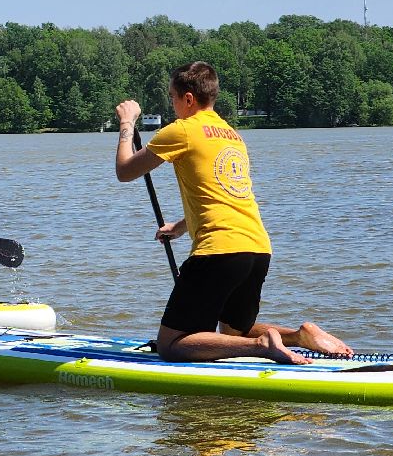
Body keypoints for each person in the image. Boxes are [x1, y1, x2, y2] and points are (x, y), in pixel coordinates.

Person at [113, 61, 352, 365]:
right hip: (257, 249)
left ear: (188, 99)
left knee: (171, 344)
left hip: (219, 252)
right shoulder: (232, 135)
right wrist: (183, 226)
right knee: (232, 334)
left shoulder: (182, 130)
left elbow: (124, 170)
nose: (171, 104)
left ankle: (263, 345)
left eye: (173, 97)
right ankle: (298, 335)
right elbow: (224, 194)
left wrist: (127, 124)